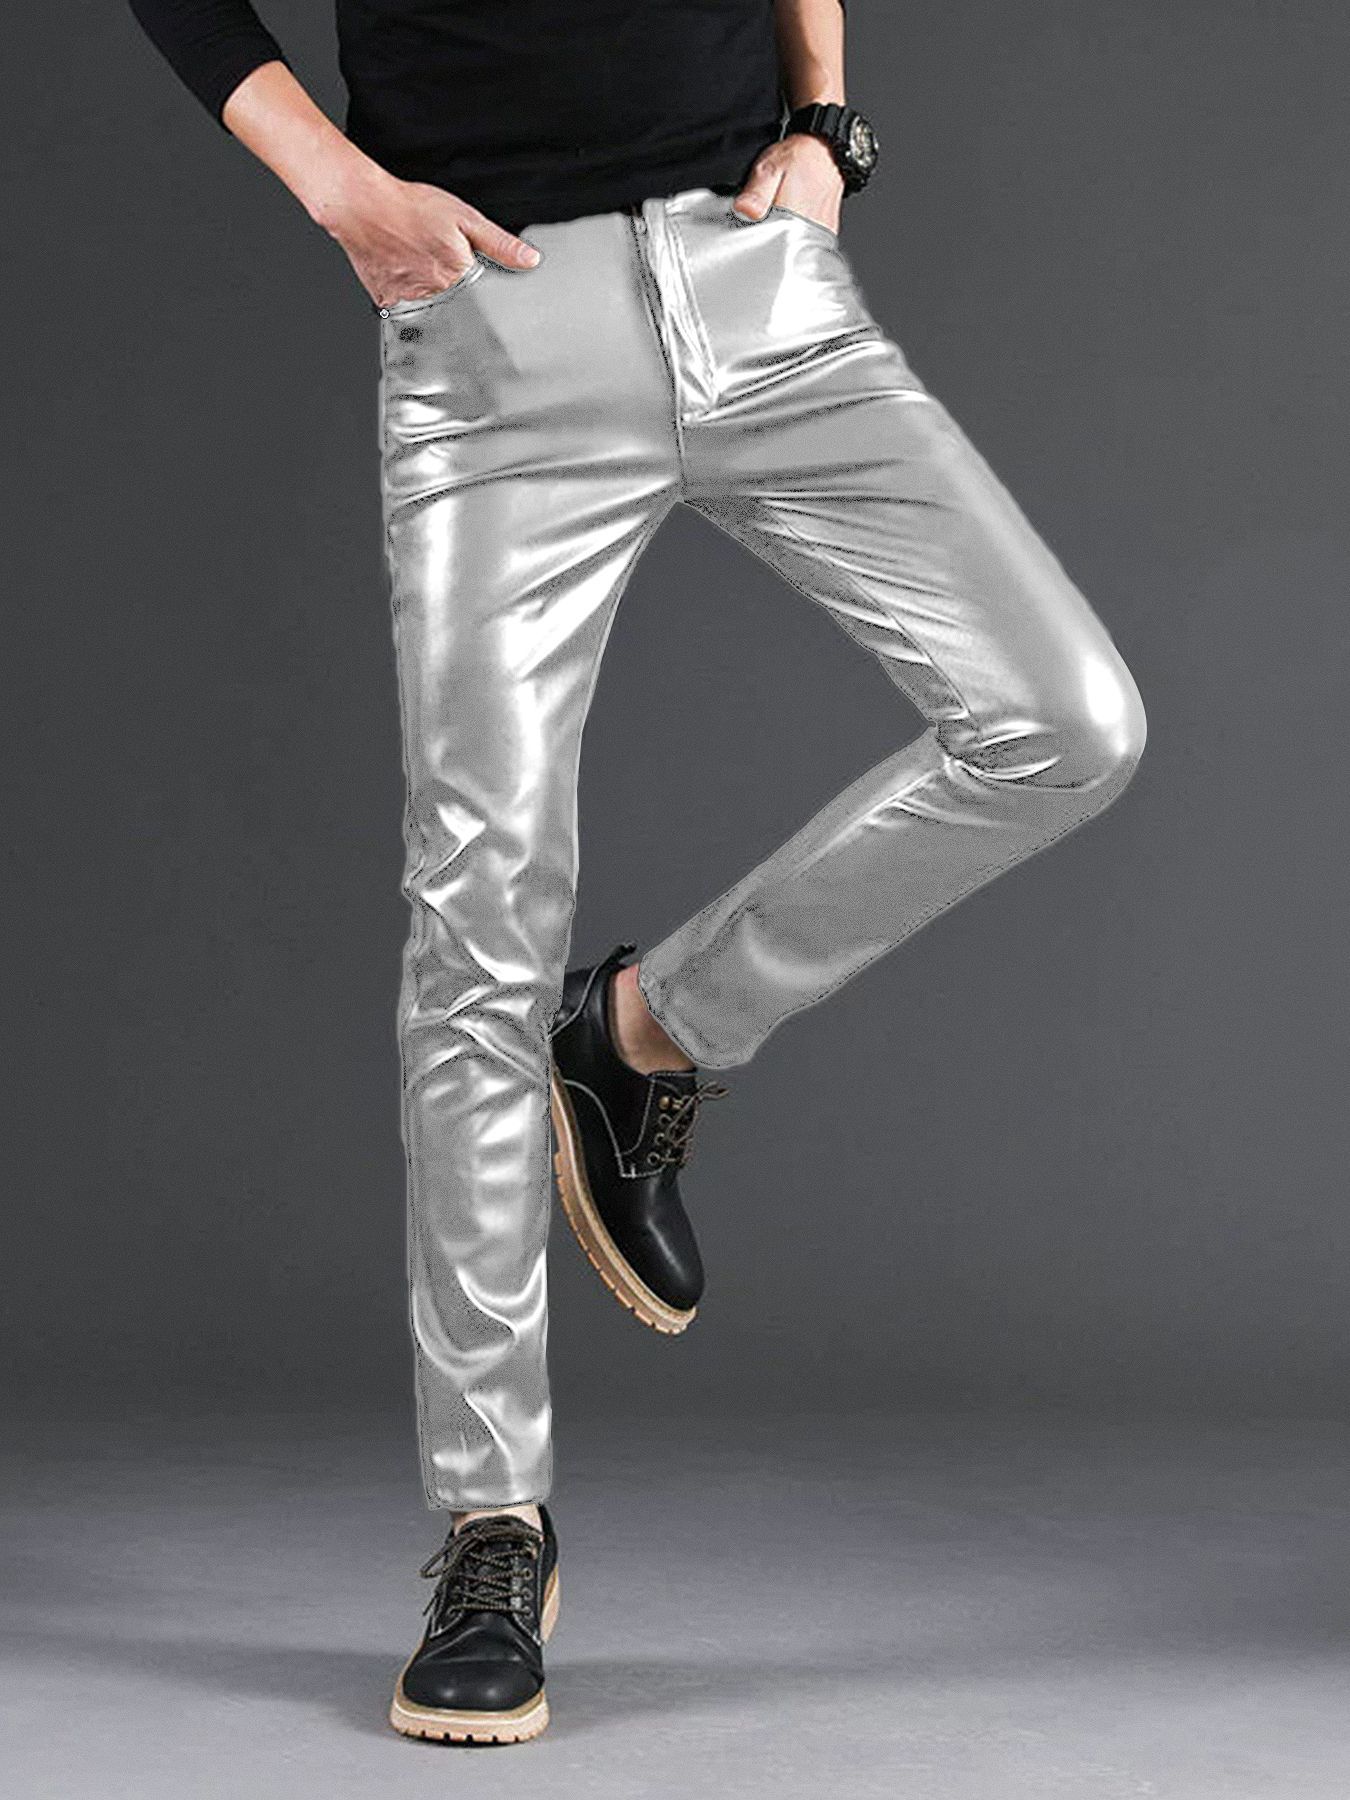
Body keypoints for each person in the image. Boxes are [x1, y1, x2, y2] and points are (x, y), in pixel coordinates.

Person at [126, 0, 1148, 1747]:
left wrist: (825, 128)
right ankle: (490, 1528)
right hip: (492, 319)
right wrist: (336, 185)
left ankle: (650, 1032)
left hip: (758, 283)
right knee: (476, 923)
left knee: (1063, 722)